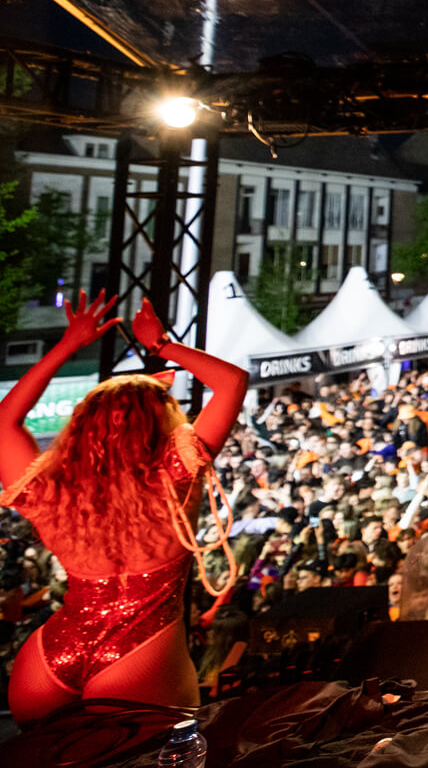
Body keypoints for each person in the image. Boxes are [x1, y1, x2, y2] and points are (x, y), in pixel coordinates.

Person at [0, 294, 249, 725]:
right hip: (140, 655)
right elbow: (231, 382)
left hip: (50, 656)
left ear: (81, 427)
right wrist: (161, 345)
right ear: (162, 422)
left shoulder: (51, 492)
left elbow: (5, 421)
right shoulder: (175, 477)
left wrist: (67, 345)